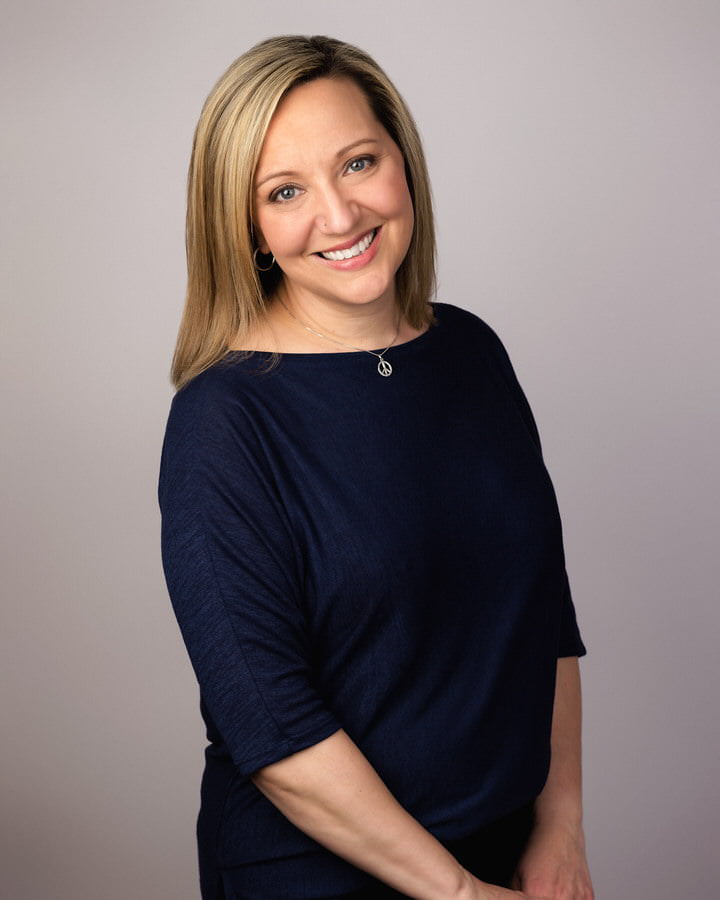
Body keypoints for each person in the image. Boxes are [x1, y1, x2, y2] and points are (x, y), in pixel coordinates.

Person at [157, 34, 594, 900]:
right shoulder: (223, 421)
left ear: (402, 160)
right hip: (321, 875)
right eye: (286, 191)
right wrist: (460, 894)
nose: (341, 215)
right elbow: (269, 723)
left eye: (357, 163)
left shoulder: (470, 350)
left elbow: (544, 610)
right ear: (245, 225)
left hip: (507, 846)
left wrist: (560, 827)